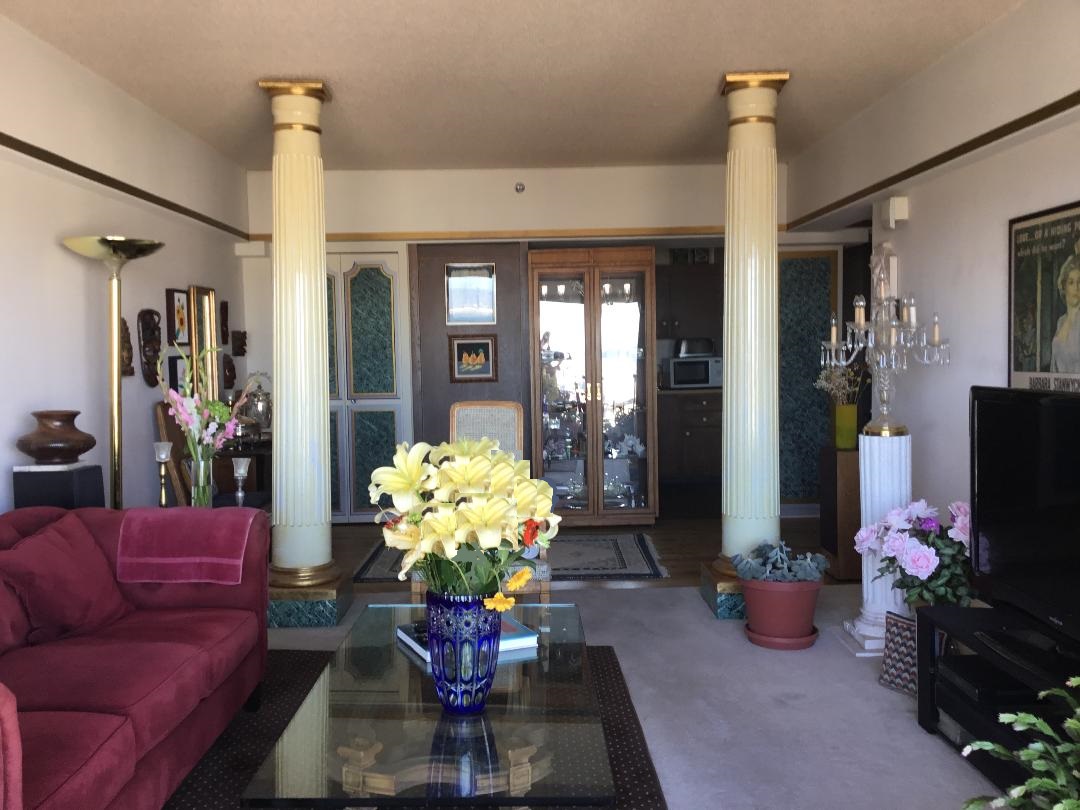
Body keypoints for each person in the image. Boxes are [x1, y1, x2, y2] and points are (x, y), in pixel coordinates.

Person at [1051, 253, 1080, 373]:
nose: (1077, 287)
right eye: (1071, 282)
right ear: (1064, 286)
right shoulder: (1061, 321)